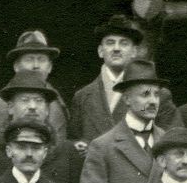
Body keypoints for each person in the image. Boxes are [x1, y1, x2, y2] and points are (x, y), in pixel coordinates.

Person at [0, 70, 82, 183]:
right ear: (10, 107)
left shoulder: (67, 152)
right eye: (25, 100)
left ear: (48, 109)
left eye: (38, 100)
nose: (32, 106)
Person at [71, 13, 177, 142]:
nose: (116, 49)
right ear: (100, 51)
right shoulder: (82, 97)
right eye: (110, 43)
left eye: (124, 43)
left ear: (134, 51)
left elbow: (171, 143)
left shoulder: (158, 96)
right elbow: (72, 141)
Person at [0, 30, 72, 143]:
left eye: (41, 59)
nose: (36, 66)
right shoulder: (0, 105)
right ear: (16, 66)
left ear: (50, 67)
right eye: (29, 59)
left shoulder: (57, 101)